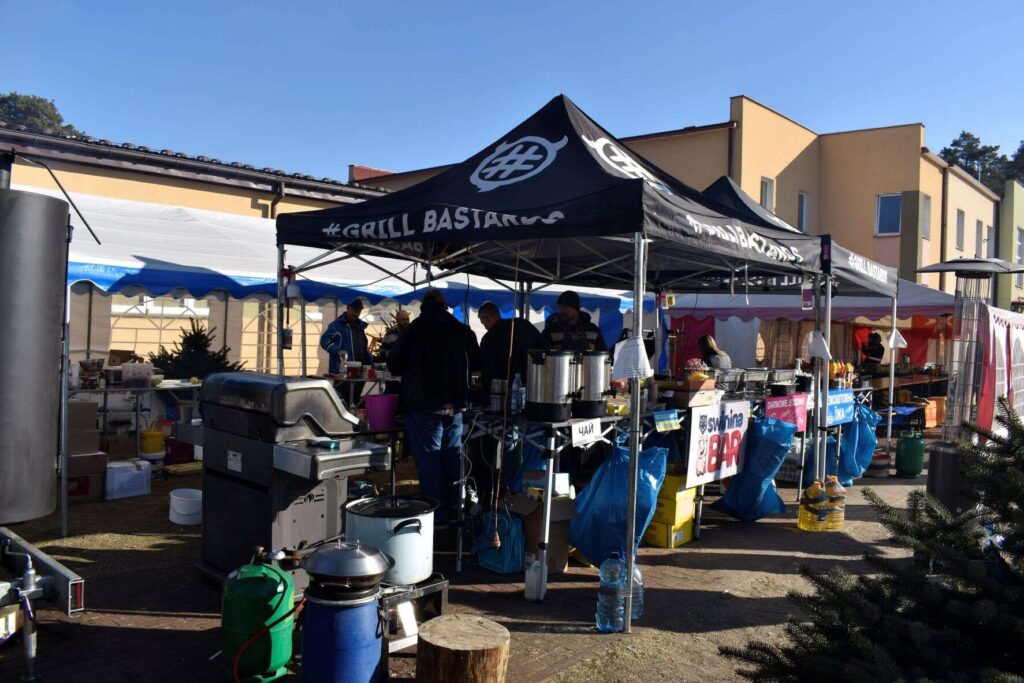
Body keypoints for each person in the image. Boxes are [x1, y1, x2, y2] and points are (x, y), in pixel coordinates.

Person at [387, 289, 480, 526]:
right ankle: (455, 510)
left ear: (423, 306)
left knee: (430, 460)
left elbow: (393, 364)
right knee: (452, 457)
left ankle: (436, 515)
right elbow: (476, 363)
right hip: (455, 406)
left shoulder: (414, 330)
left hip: (424, 405)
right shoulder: (462, 330)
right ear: (445, 306)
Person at [477, 301, 543, 391]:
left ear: (487, 319)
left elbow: (487, 369)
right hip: (532, 385)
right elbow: (543, 347)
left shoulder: (488, 339)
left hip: (503, 390)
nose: (485, 327)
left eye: (483, 323)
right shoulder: (523, 324)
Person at [541, 291, 607, 353]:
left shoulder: (593, 329)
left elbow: (603, 354)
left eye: (564, 308)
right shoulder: (551, 330)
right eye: (559, 307)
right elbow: (542, 353)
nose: (560, 311)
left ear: (575, 309)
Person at [320, 298, 371, 375]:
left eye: (359, 311)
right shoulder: (336, 326)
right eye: (354, 310)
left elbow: (364, 349)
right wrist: (338, 351)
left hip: (359, 371)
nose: (357, 314)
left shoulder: (360, 327)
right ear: (348, 308)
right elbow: (324, 340)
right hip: (341, 371)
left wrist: (371, 365)